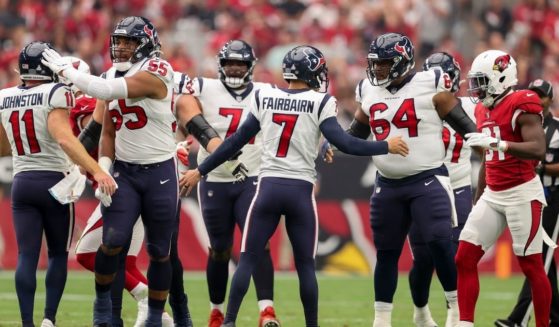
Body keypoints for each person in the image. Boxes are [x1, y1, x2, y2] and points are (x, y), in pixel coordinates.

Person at [180, 45, 409, 327]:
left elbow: (233, 143)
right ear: (311, 71)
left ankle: (228, 322)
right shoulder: (320, 100)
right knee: (305, 268)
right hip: (300, 191)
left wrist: (200, 170)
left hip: (267, 188)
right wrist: (386, 145)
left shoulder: (266, 95)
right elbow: (346, 143)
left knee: (247, 259)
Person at [41, 16, 180, 326]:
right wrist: (103, 167)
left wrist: (67, 72)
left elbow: (104, 90)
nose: (120, 47)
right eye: (118, 41)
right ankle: (103, 309)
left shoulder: (159, 71)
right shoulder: (109, 74)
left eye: (128, 42)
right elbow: (106, 132)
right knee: (110, 242)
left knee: (160, 251)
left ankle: (156, 316)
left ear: (145, 43)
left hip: (160, 172)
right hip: (126, 172)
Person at [346, 33, 476, 327]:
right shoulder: (368, 90)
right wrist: (333, 142)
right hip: (388, 184)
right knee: (387, 253)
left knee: (441, 244)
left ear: (403, 61)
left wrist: (481, 140)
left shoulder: (430, 83)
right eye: (375, 64)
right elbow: (355, 134)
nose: (377, 70)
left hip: (427, 180)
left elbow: (462, 122)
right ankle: (381, 320)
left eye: (385, 64)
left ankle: (456, 310)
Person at [0, 41, 116, 327]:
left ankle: (26, 322)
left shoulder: (4, 96)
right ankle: (49, 319)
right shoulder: (56, 92)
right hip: (55, 182)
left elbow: (4, 144)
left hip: (22, 181)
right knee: (57, 254)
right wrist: (97, 171)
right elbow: (65, 139)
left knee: (26, 255)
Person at [184, 39, 279, 327]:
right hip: (214, 180)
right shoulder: (203, 87)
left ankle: (267, 310)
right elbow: (179, 110)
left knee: (258, 244)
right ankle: (216, 310)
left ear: (251, 66)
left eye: (240, 63)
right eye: (229, 63)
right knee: (219, 249)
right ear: (220, 66)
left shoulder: (267, 92)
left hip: (252, 178)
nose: (235, 68)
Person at [458, 50, 551, 327]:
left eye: (482, 81)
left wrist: (499, 144)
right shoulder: (481, 108)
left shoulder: (523, 102)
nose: (476, 88)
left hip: (522, 192)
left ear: (500, 77)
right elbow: (488, 159)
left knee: (531, 265)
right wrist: (479, 197)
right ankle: (464, 324)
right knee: (464, 257)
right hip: (493, 193)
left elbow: (538, 148)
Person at [407, 52, 476, 327]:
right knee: (423, 258)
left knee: (454, 254)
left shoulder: (472, 106)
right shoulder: (415, 102)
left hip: (458, 184)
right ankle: (421, 313)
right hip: (424, 184)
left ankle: (454, 314)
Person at [493, 78, 559, 327]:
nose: (535, 98)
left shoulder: (556, 129)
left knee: (540, 260)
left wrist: (542, 169)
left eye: (540, 95)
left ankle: (518, 319)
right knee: (542, 261)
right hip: (525, 196)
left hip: (552, 199)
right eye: (531, 92)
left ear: (549, 100)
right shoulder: (517, 122)